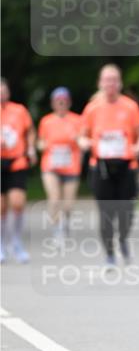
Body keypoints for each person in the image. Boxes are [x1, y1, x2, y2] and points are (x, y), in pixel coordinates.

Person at [79, 64, 139, 266]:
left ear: (120, 83)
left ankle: (123, 239)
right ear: (100, 83)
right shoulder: (92, 108)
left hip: (127, 164)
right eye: (107, 80)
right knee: (106, 212)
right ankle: (110, 252)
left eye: (114, 79)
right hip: (101, 166)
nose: (110, 84)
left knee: (126, 211)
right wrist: (84, 143)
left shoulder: (130, 106)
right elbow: (81, 137)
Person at [37, 87, 82, 241]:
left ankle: (66, 222)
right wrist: (42, 145)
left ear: (69, 102)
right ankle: (57, 229)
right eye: (58, 101)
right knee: (54, 198)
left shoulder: (77, 120)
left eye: (64, 100)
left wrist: (78, 140)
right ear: (53, 103)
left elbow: (82, 143)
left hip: (71, 166)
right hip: (51, 166)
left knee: (68, 204)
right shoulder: (46, 121)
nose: (61, 103)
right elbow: (40, 142)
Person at [0, 78, 36, 263]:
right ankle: (1, 244)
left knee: (17, 203)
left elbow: (30, 131)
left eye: (3, 90)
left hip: (17, 161)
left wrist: (30, 148)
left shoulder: (19, 110)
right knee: (1, 207)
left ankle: (17, 242)